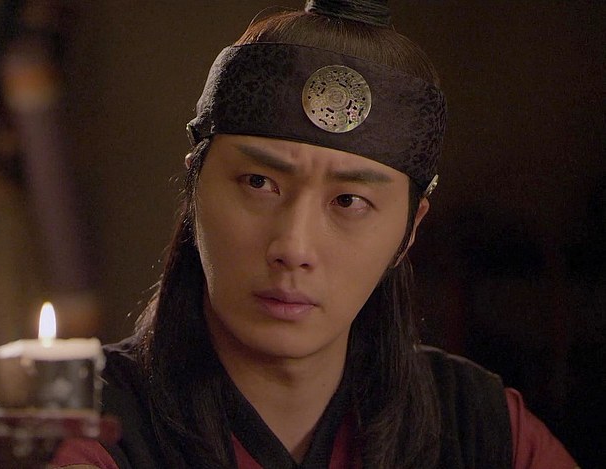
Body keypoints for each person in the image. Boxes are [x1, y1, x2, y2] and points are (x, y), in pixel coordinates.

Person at [52, 1, 577, 467]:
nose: (293, 247)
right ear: (194, 187)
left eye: (349, 201)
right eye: (259, 183)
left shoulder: (483, 430)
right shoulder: (80, 429)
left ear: (409, 230)